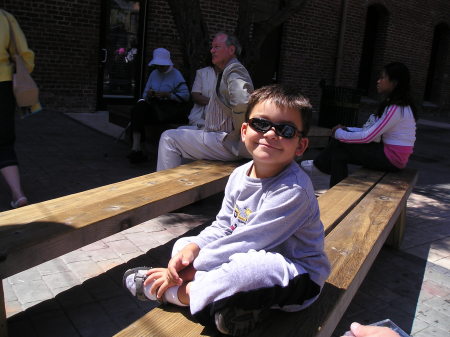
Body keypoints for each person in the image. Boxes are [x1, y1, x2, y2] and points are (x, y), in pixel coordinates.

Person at [123, 84, 331, 336]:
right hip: (243, 257)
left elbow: (248, 242)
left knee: (249, 268)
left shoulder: (293, 190)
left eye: (286, 130)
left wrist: (188, 272)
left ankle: (174, 293)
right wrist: (193, 249)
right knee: (183, 245)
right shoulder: (238, 175)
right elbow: (224, 227)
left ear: (300, 146)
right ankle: (230, 308)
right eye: (261, 124)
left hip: (297, 275)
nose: (271, 134)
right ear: (244, 131)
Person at [301, 62, 418, 188]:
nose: (378, 81)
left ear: (394, 82)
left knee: (340, 147)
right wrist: (346, 129)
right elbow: (371, 130)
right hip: (391, 154)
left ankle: (321, 171)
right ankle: (322, 172)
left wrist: (338, 133)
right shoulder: (401, 106)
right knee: (340, 146)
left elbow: (369, 137)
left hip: (392, 158)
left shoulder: (396, 108)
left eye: (382, 77)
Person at [156, 32, 253, 171]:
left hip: (225, 141)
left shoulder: (234, 69)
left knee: (168, 138)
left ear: (231, 50)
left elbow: (242, 103)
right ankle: (182, 185)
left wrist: (240, 135)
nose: (212, 50)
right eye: (212, 47)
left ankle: (164, 190)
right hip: (218, 136)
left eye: (217, 47)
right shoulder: (227, 70)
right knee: (180, 131)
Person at [127, 47, 190, 163]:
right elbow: (144, 95)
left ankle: (138, 148)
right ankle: (136, 147)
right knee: (138, 110)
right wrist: (150, 94)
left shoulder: (176, 75)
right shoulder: (154, 74)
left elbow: (185, 95)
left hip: (168, 111)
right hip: (154, 108)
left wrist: (168, 95)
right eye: (158, 65)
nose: (159, 68)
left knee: (138, 113)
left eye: (161, 65)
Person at [0, 9, 34, 209]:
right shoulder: (6, 17)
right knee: (4, 141)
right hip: (3, 84)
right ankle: (18, 193)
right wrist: (23, 71)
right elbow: (24, 53)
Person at [179, 60, 219, 130]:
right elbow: (196, 96)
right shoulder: (202, 73)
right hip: (199, 117)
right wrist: (217, 102)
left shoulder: (232, 74)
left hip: (221, 119)